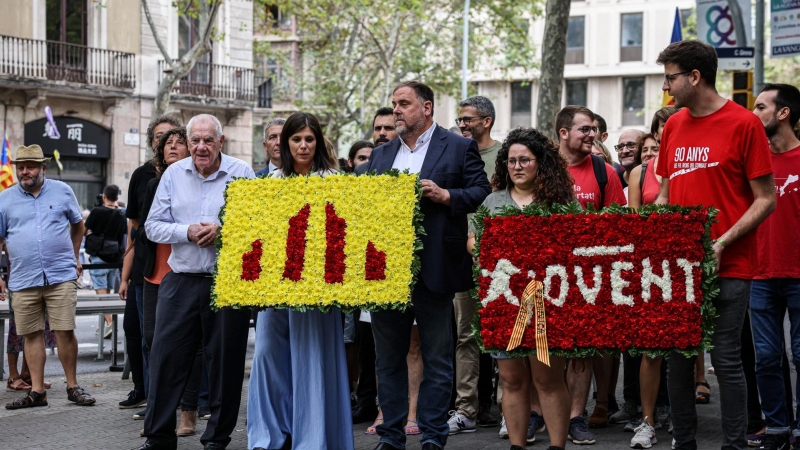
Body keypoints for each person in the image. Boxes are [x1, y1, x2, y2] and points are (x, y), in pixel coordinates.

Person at [654, 40, 776, 450]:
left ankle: (734, 445)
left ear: (694, 76)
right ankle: (683, 443)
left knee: (726, 360)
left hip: (731, 263)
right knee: (678, 359)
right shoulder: (673, 124)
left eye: (671, 77)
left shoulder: (744, 124)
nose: (666, 85)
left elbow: (766, 198)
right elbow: (666, 192)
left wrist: (722, 241)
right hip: (679, 268)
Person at [362, 80, 491, 450]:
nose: (396, 111)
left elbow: (481, 190)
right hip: (388, 273)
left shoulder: (458, 146)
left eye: (404, 103)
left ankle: (434, 436)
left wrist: (447, 195)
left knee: (437, 358)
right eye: (393, 104)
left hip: (436, 268)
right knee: (388, 360)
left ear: (427, 107)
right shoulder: (382, 155)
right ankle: (391, 435)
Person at [140, 114, 254, 450]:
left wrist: (224, 231)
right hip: (181, 280)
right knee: (165, 360)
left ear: (221, 142)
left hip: (227, 283)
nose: (201, 147)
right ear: (187, 143)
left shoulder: (242, 172)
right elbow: (153, 226)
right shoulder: (174, 173)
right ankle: (159, 438)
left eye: (208, 140)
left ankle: (217, 439)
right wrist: (187, 231)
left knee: (225, 364)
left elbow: (255, 228)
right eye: (195, 140)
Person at [247, 111, 354, 450]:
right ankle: (267, 436)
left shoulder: (334, 180)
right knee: (265, 354)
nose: (303, 145)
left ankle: (313, 438)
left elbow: (343, 234)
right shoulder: (269, 182)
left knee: (313, 359)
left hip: (318, 287)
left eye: (309, 139)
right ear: (284, 143)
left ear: (318, 142)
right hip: (274, 284)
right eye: (296, 139)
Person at [468, 126, 575, 450]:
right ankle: (517, 446)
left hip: (550, 306)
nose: (517, 166)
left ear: (540, 163)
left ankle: (557, 446)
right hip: (504, 305)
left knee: (548, 380)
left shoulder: (560, 201)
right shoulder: (493, 200)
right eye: (512, 160)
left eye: (524, 160)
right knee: (512, 380)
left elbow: (577, 245)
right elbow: (473, 241)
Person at [0, 144, 95, 409]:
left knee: (65, 330)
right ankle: (38, 392)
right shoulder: (5, 198)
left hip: (60, 275)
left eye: (30, 166)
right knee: (31, 335)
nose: (24, 172)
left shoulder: (63, 191)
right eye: (21, 167)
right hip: (23, 277)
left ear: (43, 167)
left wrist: (74, 257)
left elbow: (78, 225)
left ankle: (73, 386)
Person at [556, 105, 625, 445]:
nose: (591, 134)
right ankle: (543, 413)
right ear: (563, 133)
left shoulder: (604, 171)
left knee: (583, 350)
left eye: (594, 129)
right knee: (548, 349)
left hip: (589, 277)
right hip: (549, 275)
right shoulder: (544, 169)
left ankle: (575, 417)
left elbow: (617, 225)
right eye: (584, 129)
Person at [140, 127, 204, 437]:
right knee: (157, 344)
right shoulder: (155, 183)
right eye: (169, 142)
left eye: (182, 141)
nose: (175, 147)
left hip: (188, 272)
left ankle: (188, 411)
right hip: (158, 273)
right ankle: (158, 411)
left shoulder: (204, 178)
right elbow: (142, 230)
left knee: (194, 346)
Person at [119, 115, 182, 414]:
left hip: (181, 271)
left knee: (184, 341)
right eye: (161, 138)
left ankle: (188, 402)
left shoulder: (192, 176)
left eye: (174, 138)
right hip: (148, 269)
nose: (167, 143)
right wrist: (125, 276)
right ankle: (149, 395)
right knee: (147, 336)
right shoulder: (145, 178)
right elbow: (136, 227)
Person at [749, 82, 800, 450]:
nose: (755, 114)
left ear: (783, 113)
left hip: (799, 274)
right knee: (766, 358)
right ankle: (778, 428)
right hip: (759, 274)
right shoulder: (753, 161)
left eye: (761, 107)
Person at [448, 95, 502, 435]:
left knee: (503, 333)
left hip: (498, 262)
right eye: (460, 119)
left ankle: (509, 406)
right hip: (458, 257)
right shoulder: (452, 154)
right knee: (465, 335)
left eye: (468, 119)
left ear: (487, 121)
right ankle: (466, 409)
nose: (463, 124)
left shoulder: (505, 157)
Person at [84, 184, 125, 336]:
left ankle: (109, 323)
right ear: (117, 198)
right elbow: (122, 236)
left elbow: (83, 231)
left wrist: (90, 233)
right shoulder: (121, 214)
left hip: (99, 257)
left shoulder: (96, 211)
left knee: (101, 292)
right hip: (114, 257)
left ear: (104, 197)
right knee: (108, 293)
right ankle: (104, 326)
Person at [613, 129, 644, 197]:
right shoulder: (613, 181)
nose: (625, 151)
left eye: (631, 145)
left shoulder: (655, 179)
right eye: (620, 147)